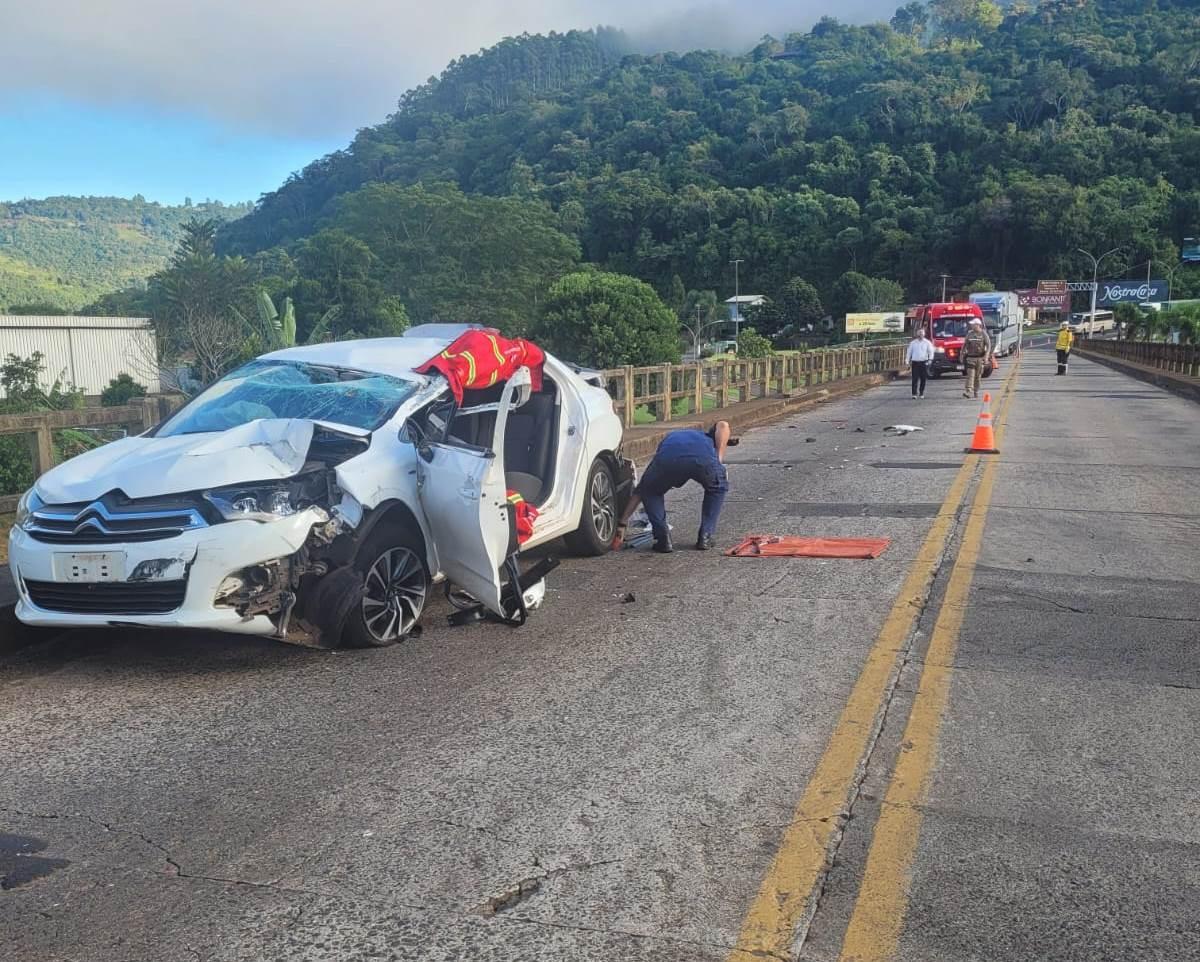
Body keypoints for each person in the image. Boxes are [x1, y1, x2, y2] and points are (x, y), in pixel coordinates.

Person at [612, 421, 732, 553]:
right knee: (717, 488)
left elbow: (640, 491)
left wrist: (622, 523)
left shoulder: (675, 437)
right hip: (704, 461)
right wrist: (719, 459)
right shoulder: (707, 438)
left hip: (668, 459)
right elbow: (723, 425)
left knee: (650, 492)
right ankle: (705, 536)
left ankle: (663, 538)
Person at [962, 318, 992, 399]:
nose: (971, 325)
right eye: (971, 324)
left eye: (973, 324)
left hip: (980, 359)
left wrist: (986, 356)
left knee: (978, 376)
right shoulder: (969, 334)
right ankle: (968, 391)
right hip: (970, 358)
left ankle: (976, 391)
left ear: (978, 325)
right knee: (970, 375)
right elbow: (965, 345)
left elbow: (988, 346)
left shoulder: (983, 334)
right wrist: (962, 354)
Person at [905, 326, 934, 398]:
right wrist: (907, 361)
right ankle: (914, 394)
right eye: (919, 333)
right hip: (915, 362)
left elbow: (931, 351)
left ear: (924, 334)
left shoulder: (927, 342)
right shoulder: (913, 343)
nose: (921, 334)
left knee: (923, 379)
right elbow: (909, 352)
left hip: (924, 362)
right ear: (917, 334)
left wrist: (930, 359)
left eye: (922, 333)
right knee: (914, 379)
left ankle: (921, 392)